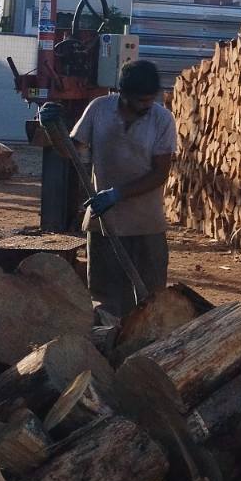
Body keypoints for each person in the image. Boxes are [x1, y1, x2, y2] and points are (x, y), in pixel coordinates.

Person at [40, 59, 176, 318]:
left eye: (150, 100)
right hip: (104, 221)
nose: (146, 106)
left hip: (146, 224)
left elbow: (160, 173)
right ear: (122, 93)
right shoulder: (99, 109)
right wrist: (52, 128)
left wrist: (117, 194)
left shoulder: (162, 119)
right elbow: (69, 151)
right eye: (140, 101)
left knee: (152, 299)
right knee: (105, 299)